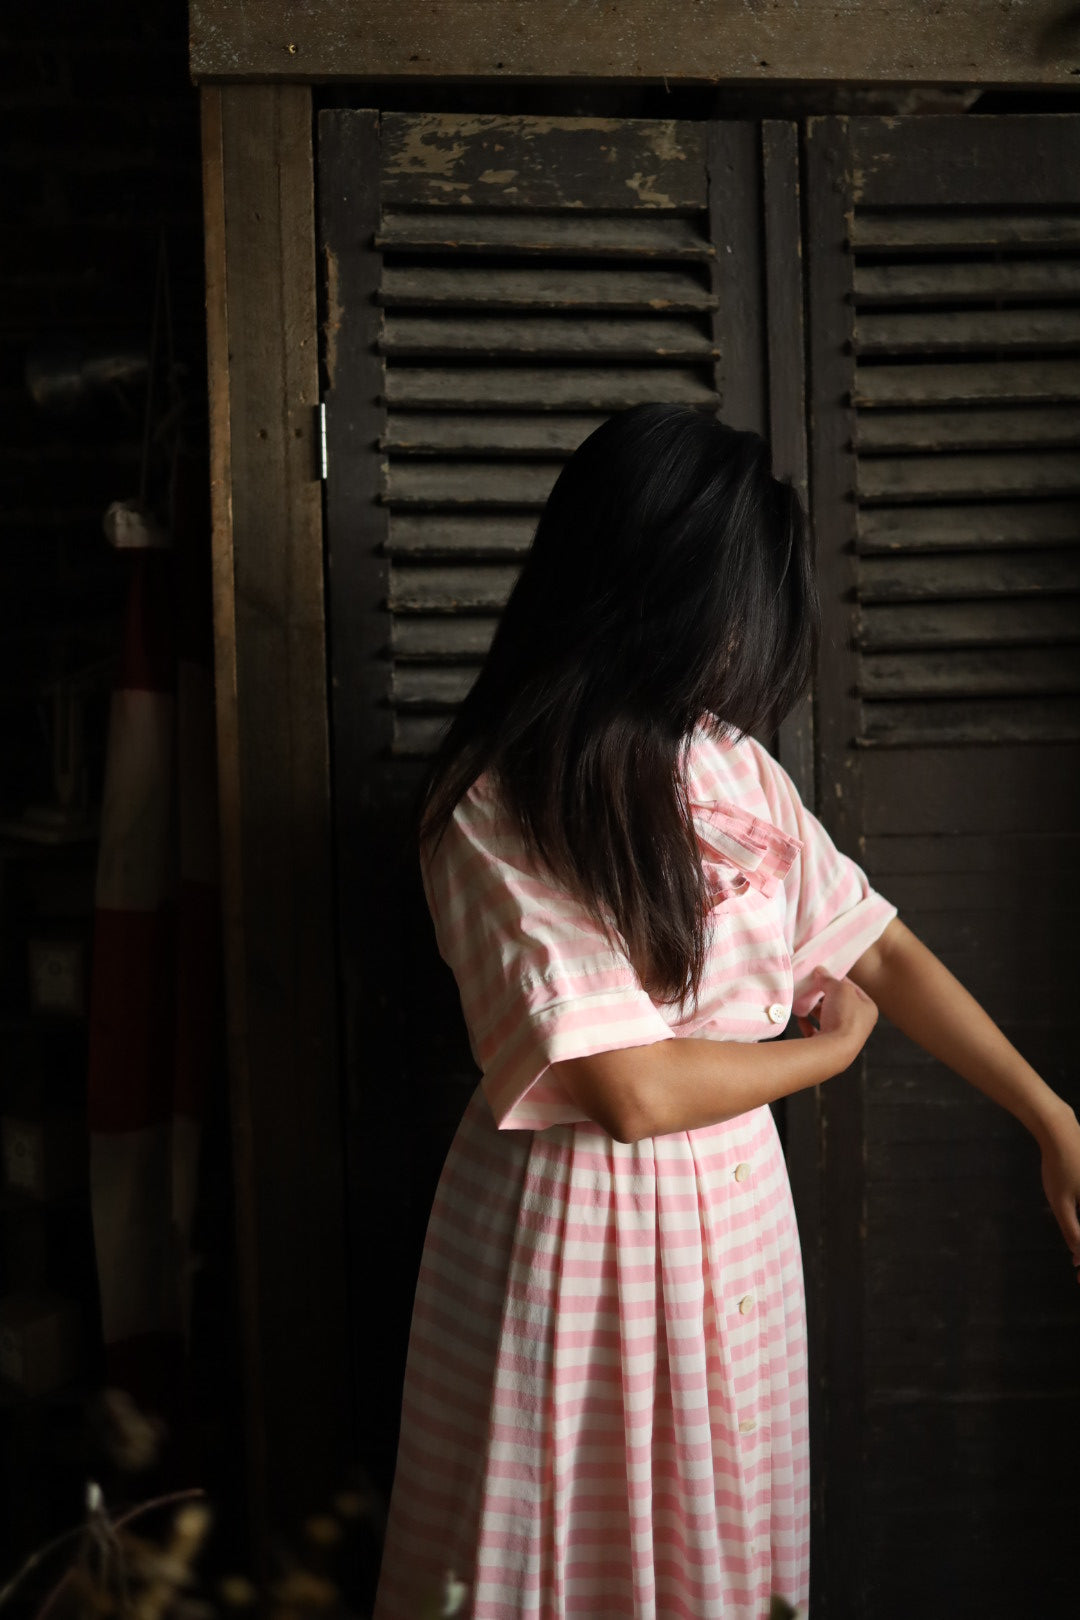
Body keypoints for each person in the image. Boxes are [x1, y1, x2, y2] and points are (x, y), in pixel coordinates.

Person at [370, 403, 1080, 1620]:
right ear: (641, 590)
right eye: (730, 605)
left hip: (738, 1225)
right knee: (565, 1553)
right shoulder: (493, 802)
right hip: (579, 1241)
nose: (746, 642)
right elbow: (628, 1092)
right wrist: (825, 1057)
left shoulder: (732, 767)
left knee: (717, 1541)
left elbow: (881, 946)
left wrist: (1051, 1117)